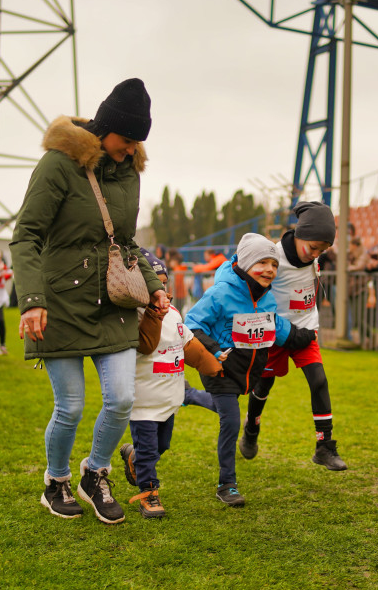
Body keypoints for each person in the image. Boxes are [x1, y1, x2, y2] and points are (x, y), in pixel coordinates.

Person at [10, 78, 167, 525]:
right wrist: (33, 301)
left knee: (120, 398)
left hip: (112, 305)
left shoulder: (129, 171)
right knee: (72, 406)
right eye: (127, 138)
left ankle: (94, 474)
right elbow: (26, 237)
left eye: (139, 141)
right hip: (58, 304)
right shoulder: (58, 166)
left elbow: (127, 243)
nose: (133, 148)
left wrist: (153, 285)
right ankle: (55, 481)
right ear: (105, 128)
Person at [184, 233, 317, 507]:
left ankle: (190, 396)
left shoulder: (267, 298)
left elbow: (278, 328)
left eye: (274, 264)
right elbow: (192, 322)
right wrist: (213, 350)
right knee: (231, 422)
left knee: (226, 408)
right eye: (262, 262)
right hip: (219, 368)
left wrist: (305, 336)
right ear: (245, 264)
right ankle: (227, 484)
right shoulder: (221, 293)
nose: (269, 269)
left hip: (247, 373)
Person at [239, 202, 347, 472]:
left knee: (319, 380)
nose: (316, 255)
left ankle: (324, 446)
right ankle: (251, 428)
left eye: (322, 251)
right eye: (313, 248)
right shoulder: (272, 256)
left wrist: (309, 322)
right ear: (300, 234)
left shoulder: (312, 254)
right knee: (263, 387)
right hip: (276, 333)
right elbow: (245, 281)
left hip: (306, 331)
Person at [118, 250, 222, 518]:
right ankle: (149, 494)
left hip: (169, 396)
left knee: (162, 444)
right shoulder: (132, 314)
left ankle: (134, 457)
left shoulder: (174, 312)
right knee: (150, 450)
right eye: (155, 283)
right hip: (144, 398)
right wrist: (154, 314)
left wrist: (213, 365)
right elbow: (144, 344)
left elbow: (187, 342)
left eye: (163, 283)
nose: (160, 290)